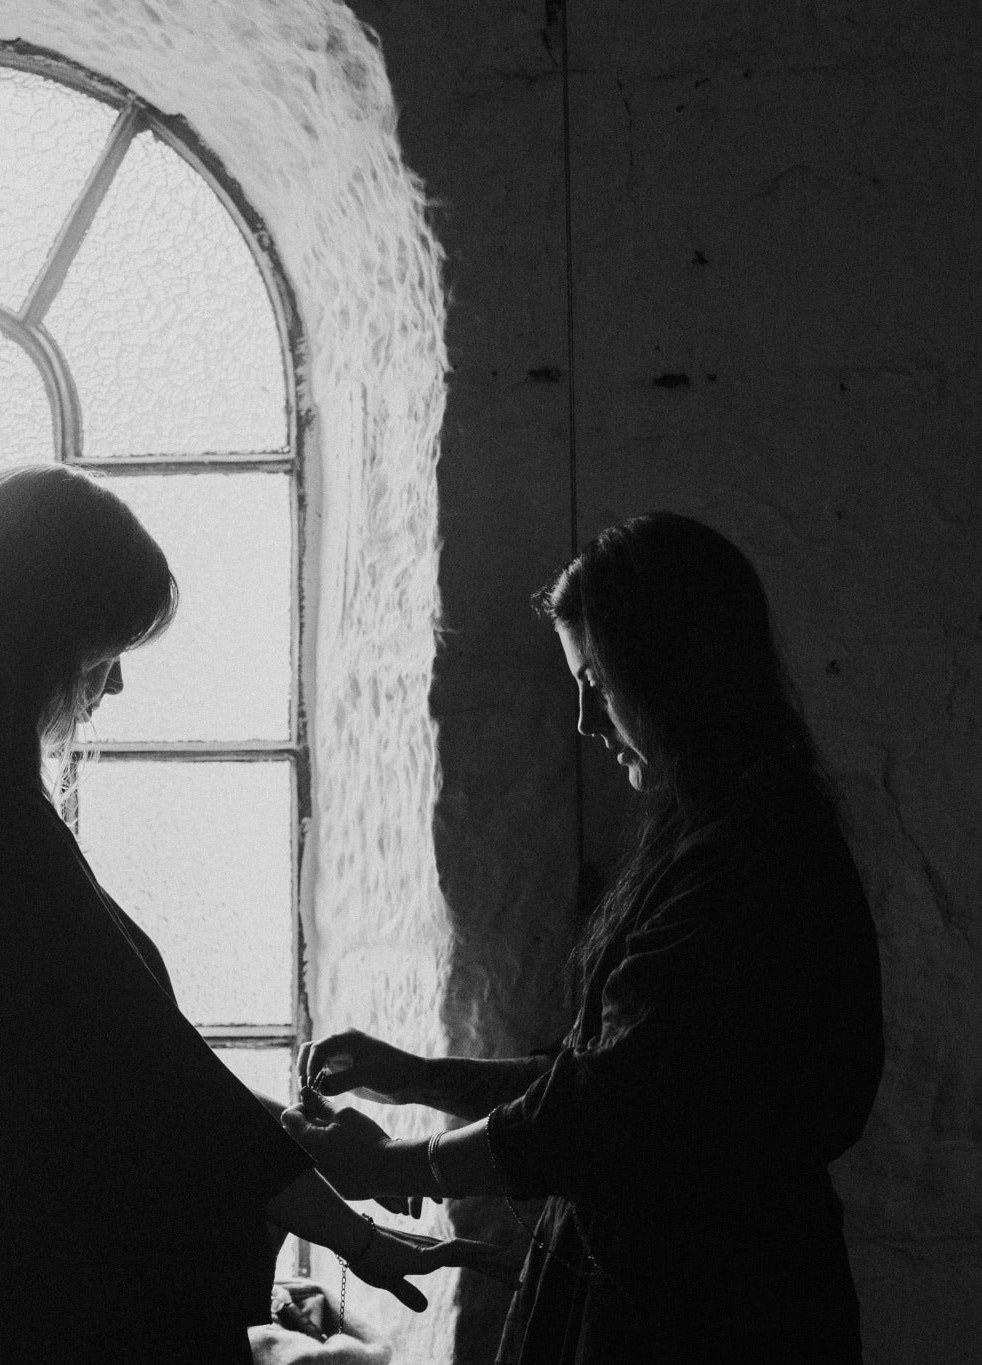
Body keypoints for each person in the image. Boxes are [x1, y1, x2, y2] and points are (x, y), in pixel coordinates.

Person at [0, 465, 489, 1363]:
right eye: (101, 652)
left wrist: (302, 1145)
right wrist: (354, 1235)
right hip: (37, 1309)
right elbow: (146, 1072)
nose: (110, 689)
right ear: (37, 641)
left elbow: (115, 1054)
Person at [283, 513, 884, 1363]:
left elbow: (602, 1110)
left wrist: (396, 1165)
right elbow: (612, 1074)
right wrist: (416, 1076)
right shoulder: (724, 837)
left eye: (597, 681)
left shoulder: (751, 865)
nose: (584, 720)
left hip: (711, 1310)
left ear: (674, 673)